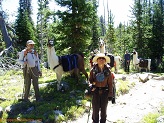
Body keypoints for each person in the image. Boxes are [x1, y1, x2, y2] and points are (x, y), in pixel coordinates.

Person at [89, 53, 113, 123]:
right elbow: (90, 81)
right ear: (97, 60)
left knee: (103, 110)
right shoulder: (93, 70)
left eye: (103, 59)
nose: (101, 60)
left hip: (105, 92)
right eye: (100, 58)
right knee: (95, 110)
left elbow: (110, 83)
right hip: (95, 92)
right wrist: (92, 85)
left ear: (105, 61)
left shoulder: (108, 71)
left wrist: (110, 94)